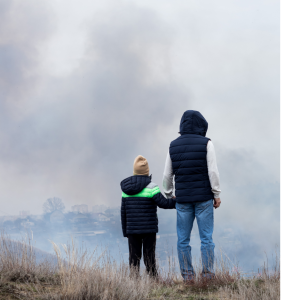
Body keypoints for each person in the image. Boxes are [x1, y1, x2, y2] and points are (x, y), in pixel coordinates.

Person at [162, 110, 221, 281]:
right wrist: (216, 194)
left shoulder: (173, 145)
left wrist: (169, 194)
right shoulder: (207, 143)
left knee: (183, 240)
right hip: (204, 199)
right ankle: (208, 276)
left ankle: (188, 277)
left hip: (182, 200)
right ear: (202, 125)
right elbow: (213, 172)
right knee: (207, 239)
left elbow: (167, 175)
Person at [120, 155, 176, 277]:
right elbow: (164, 203)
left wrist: (126, 232)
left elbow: (123, 213)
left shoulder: (126, 190)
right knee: (149, 256)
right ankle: (153, 281)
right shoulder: (152, 187)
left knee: (134, 257)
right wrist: (177, 202)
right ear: (147, 171)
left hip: (132, 231)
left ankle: (134, 283)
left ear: (134, 170)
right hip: (148, 230)